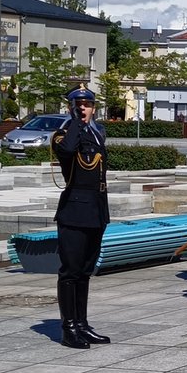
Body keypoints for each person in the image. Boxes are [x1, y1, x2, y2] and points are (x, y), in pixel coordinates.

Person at [51, 84, 110, 349]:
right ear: (71, 107)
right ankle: (69, 328)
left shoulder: (98, 134)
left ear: (94, 107)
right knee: (71, 272)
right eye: (79, 105)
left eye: (87, 105)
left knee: (85, 271)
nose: (83, 108)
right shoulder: (63, 134)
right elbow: (67, 151)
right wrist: (75, 120)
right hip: (74, 210)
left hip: (96, 210)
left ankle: (83, 324)